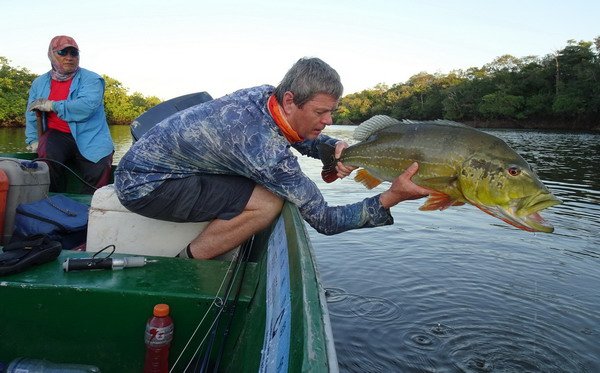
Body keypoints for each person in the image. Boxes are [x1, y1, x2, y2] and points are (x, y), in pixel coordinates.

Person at [114, 57, 430, 259]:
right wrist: (392, 196)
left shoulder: (266, 96)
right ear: (290, 100)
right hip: (145, 186)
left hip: (154, 166)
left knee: (260, 187)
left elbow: (296, 133)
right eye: (321, 113)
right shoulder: (262, 150)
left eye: (332, 112)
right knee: (268, 203)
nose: (329, 121)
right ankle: (188, 262)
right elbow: (326, 220)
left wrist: (331, 148)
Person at [25, 35, 114, 194]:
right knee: (46, 161)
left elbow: (86, 106)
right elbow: (32, 114)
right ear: (52, 55)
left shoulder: (92, 79)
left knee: (100, 166)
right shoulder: (39, 83)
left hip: (92, 135)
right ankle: (53, 200)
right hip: (57, 135)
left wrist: (52, 105)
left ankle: (90, 207)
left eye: (74, 53)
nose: (69, 58)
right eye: (63, 53)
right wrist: (33, 140)